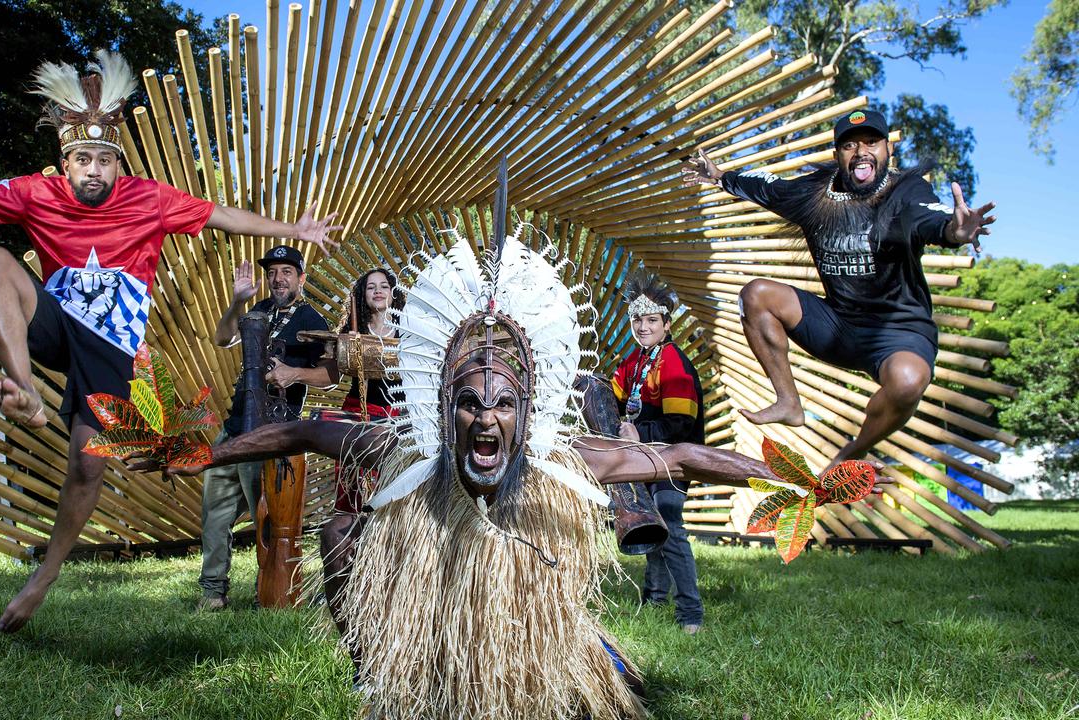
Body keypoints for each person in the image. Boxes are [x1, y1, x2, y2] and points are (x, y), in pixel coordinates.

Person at [130, 233, 889, 720]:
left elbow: (688, 456)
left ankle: (579, 663)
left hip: (530, 642)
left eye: (502, 404)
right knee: (339, 533)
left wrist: (805, 486)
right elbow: (296, 428)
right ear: (444, 409)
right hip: (431, 635)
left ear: (528, 410)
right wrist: (193, 454)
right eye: (469, 404)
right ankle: (384, 683)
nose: (486, 419)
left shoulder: (564, 460)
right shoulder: (407, 453)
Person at [0, 51, 342, 633]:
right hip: (56, 326)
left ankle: (45, 575)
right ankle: (23, 389)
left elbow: (221, 216)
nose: (94, 169)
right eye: (82, 159)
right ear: (65, 161)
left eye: (104, 160)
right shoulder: (36, 193)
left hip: (110, 351)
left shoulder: (150, 198)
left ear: (118, 164)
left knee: (87, 468)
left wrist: (291, 230)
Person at [680, 108, 996, 470]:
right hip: (838, 327)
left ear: (886, 150)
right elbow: (767, 188)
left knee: (908, 382)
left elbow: (930, 217)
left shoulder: (906, 190)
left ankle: (852, 453)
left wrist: (955, 232)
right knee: (756, 295)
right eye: (849, 145)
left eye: (871, 142)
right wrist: (719, 177)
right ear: (837, 156)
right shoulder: (815, 193)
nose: (861, 151)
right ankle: (788, 402)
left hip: (898, 331)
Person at [265, 268, 405, 634]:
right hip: (360, 418)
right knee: (354, 505)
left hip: (399, 423)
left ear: (393, 293)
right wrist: (294, 374)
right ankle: (352, 574)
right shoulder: (351, 334)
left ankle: (395, 577)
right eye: (371, 287)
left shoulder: (410, 331)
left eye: (384, 287)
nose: (378, 292)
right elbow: (330, 376)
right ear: (362, 295)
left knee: (393, 502)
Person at [197, 244, 330, 610]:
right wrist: (237, 302)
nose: (278, 278)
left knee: (267, 515)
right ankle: (212, 592)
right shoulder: (258, 311)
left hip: (273, 429)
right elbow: (223, 338)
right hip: (236, 424)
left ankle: (270, 591)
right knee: (215, 509)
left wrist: (294, 373)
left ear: (301, 278)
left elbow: (332, 375)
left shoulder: (311, 321)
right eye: (272, 272)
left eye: (286, 271)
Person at [611, 270, 705, 634]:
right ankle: (653, 599)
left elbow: (681, 423)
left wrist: (639, 431)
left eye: (651, 320)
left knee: (671, 526)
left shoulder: (674, 363)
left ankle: (691, 614)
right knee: (651, 526)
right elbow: (615, 396)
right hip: (646, 458)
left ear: (667, 324)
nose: (643, 326)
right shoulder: (634, 362)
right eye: (637, 319)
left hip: (676, 459)